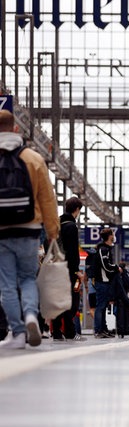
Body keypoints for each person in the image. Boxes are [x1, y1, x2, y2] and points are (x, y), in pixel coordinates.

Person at [0, 109, 59, 349]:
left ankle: (18, 332)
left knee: (6, 282)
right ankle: (32, 315)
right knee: (27, 278)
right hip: (30, 229)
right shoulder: (33, 158)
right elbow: (47, 198)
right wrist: (53, 231)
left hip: (2, 231)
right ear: (16, 129)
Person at [52, 196, 85, 341]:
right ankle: (70, 332)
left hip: (55, 266)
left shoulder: (57, 223)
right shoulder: (71, 226)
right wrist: (76, 270)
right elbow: (72, 251)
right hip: (67, 269)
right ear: (77, 210)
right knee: (72, 300)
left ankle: (57, 332)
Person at [93, 228, 121, 338]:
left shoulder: (107, 249)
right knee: (100, 306)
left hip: (105, 282)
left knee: (104, 306)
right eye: (113, 234)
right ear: (109, 236)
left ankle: (103, 329)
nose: (114, 236)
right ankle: (98, 330)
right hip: (102, 281)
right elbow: (106, 266)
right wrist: (116, 267)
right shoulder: (103, 250)